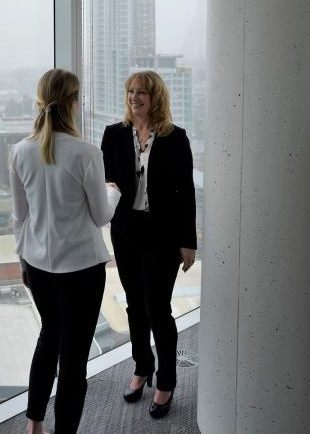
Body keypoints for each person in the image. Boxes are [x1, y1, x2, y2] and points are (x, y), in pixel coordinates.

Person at [10, 68, 121, 434]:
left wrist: (23, 261)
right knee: (73, 362)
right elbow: (102, 215)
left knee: (48, 339)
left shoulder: (19, 152)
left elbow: (19, 218)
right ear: (73, 103)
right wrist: (113, 190)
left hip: (39, 267)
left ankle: (33, 425)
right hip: (82, 271)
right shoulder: (86, 153)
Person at [100, 70, 197, 419]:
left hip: (163, 234)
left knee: (158, 308)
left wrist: (188, 242)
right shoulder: (113, 136)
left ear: (156, 97)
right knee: (134, 308)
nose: (134, 97)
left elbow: (186, 192)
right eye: (130, 91)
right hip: (126, 232)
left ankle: (166, 381)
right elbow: (105, 183)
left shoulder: (175, 138)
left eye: (141, 92)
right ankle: (143, 367)